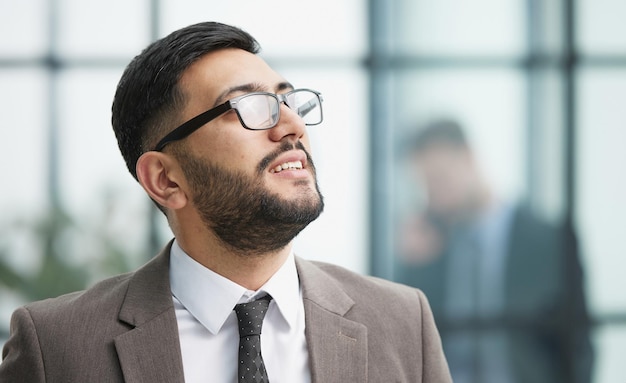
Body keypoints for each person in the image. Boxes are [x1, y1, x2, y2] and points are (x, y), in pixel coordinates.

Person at [0, 22, 451, 383]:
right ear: (165, 179)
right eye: (250, 106)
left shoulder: (402, 322)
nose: (291, 125)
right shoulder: (55, 347)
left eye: (287, 100)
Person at [394, 119, 593, 383]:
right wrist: (409, 267)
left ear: (469, 158)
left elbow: (578, 346)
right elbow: (401, 337)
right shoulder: (430, 250)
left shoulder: (547, 240)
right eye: (426, 187)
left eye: (439, 179)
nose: (434, 197)